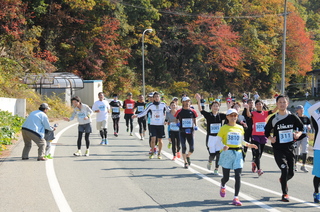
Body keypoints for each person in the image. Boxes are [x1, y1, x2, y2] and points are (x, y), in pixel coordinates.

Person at [264, 95, 303, 202]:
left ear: (287, 104)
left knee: (291, 173)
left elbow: (301, 127)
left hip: (290, 148)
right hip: (278, 149)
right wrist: (271, 138)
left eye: (284, 102)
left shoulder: (292, 117)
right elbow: (266, 132)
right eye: (280, 102)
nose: (282, 104)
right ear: (277, 104)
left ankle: (283, 180)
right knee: (284, 169)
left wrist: (298, 134)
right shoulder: (273, 118)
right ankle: (284, 194)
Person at [215, 108, 257, 206]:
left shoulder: (240, 128)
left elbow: (241, 141)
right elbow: (218, 141)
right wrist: (223, 146)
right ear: (227, 117)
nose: (233, 117)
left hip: (238, 153)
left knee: (238, 176)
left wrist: (248, 145)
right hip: (227, 153)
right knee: (226, 177)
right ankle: (223, 184)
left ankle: (236, 198)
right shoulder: (223, 128)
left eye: (235, 115)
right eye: (231, 115)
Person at [195, 93, 228, 174]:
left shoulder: (221, 115)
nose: (215, 107)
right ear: (211, 107)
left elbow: (229, 115)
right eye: (214, 106)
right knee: (212, 154)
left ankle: (216, 168)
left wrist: (229, 106)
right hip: (211, 137)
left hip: (219, 138)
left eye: (217, 106)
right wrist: (199, 100)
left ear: (219, 107)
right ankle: (210, 160)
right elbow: (201, 110)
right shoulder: (208, 115)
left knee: (218, 154)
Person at [244, 100, 277, 176]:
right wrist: (248, 108)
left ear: (262, 105)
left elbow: (274, 111)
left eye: (260, 104)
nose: (259, 105)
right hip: (255, 135)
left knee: (260, 154)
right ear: (255, 106)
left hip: (263, 135)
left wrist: (278, 104)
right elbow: (248, 115)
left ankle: (254, 163)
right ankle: (259, 169)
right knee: (257, 153)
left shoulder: (265, 113)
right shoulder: (254, 113)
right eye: (257, 104)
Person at [133, 92, 167, 159]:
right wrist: (137, 115)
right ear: (153, 98)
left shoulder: (163, 104)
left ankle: (159, 153)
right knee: (153, 139)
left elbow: (169, 111)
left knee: (160, 140)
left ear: (159, 97)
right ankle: (152, 152)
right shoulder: (150, 105)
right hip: (153, 124)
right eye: (155, 97)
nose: (157, 98)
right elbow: (144, 112)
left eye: (158, 96)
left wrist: (167, 120)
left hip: (160, 124)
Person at [175, 96, 198, 168]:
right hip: (182, 131)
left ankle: (188, 156)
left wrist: (196, 125)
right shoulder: (179, 111)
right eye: (186, 101)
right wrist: (177, 123)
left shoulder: (193, 111)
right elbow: (176, 118)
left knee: (192, 148)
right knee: (184, 146)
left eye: (188, 101)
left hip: (190, 131)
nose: (187, 103)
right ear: (182, 102)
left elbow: (195, 119)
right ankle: (185, 162)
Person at [307, 101, 320, 203]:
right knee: (318, 174)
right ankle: (316, 192)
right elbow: (310, 110)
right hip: (318, 149)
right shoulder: (318, 117)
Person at [294, 105, 311, 172]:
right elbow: (292, 127)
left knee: (305, 150)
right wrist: (294, 132)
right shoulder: (295, 118)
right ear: (297, 111)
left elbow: (308, 124)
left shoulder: (306, 118)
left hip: (304, 136)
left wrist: (309, 127)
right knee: (296, 151)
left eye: (302, 109)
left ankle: (303, 166)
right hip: (297, 137)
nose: (301, 110)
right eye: (300, 109)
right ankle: (295, 165)